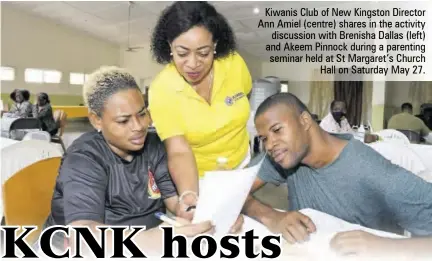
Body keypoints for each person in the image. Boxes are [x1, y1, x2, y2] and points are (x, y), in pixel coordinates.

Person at [43, 67, 213, 254]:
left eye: (142, 114)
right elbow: (83, 238)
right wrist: (154, 239)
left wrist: (198, 213)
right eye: (124, 121)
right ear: (96, 121)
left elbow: (173, 199)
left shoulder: (153, 145)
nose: (139, 126)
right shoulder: (84, 158)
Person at [242, 93, 432, 257]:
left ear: (305, 121)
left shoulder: (370, 169)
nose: (269, 145)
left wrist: (384, 246)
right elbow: (232, 192)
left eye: (277, 130)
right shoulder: (281, 156)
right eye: (264, 138)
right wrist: (272, 216)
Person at [149, 1, 252, 219]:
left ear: (215, 45)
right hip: (199, 176)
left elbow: (245, 96)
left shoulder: (234, 64)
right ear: (169, 46)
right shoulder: (162, 90)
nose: (193, 64)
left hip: (242, 164)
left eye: (203, 53)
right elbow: (178, 150)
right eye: (182, 53)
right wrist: (189, 194)